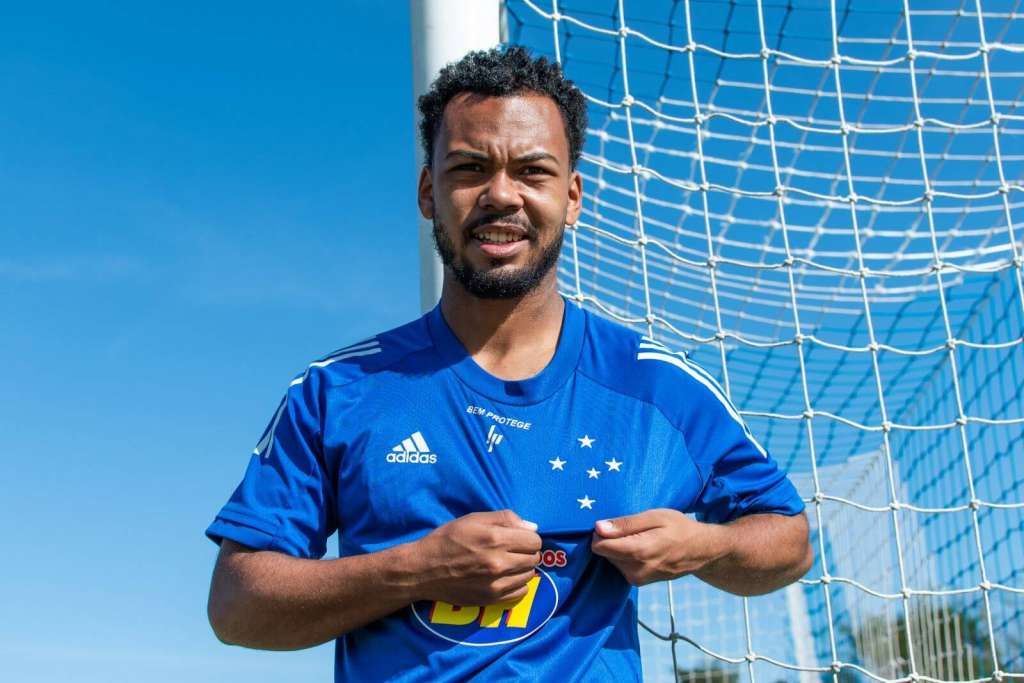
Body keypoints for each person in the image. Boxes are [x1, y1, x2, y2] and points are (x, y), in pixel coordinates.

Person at [205, 46, 812, 681]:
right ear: (427, 192)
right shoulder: (338, 390)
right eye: (470, 168)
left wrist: (705, 546)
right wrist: (416, 569)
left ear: (572, 196)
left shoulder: (656, 384)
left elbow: (788, 540)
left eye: (533, 171)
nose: (501, 195)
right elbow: (237, 607)